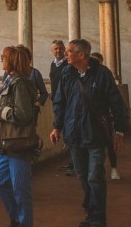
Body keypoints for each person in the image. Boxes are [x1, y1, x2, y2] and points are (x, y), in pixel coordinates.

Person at [50, 39, 128, 227]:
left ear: (81, 55)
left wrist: (119, 131)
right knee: (83, 176)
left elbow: (117, 104)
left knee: (95, 176)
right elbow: (60, 102)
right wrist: (57, 127)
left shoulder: (102, 74)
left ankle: (97, 218)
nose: (65, 54)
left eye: (69, 51)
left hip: (95, 135)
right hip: (74, 134)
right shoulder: (67, 73)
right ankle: (92, 206)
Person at [0, 46, 39, 227]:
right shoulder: (10, 80)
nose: (1, 60)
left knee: (21, 190)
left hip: (18, 143)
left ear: (11, 61)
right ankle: (16, 217)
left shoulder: (21, 84)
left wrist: (0, 111)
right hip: (5, 140)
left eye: (3, 57)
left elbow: (24, 114)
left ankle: (23, 222)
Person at [91, 53, 120, 180]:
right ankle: (97, 170)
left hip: (104, 116)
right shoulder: (86, 75)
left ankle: (113, 168)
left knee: (109, 141)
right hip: (91, 117)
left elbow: (113, 97)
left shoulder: (105, 74)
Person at [49, 39, 75, 175]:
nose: (58, 51)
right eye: (55, 49)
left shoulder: (68, 65)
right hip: (58, 103)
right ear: (52, 50)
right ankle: (72, 162)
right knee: (66, 133)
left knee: (70, 133)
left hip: (67, 103)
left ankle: (74, 164)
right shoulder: (53, 65)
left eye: (60, 48)